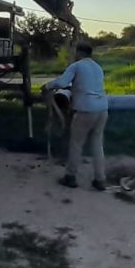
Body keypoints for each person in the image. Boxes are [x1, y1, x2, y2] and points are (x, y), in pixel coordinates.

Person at [43, 43, 109, 190]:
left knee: (76, 143)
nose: (74, 55)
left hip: (86, 110)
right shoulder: (97, 67)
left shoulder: (77, 66)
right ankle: (100, 180)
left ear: (79, 53)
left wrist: (47, 87)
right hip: (103, 108)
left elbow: (62, 82)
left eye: (75, 52)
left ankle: (70, 177)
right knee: (97, 144)